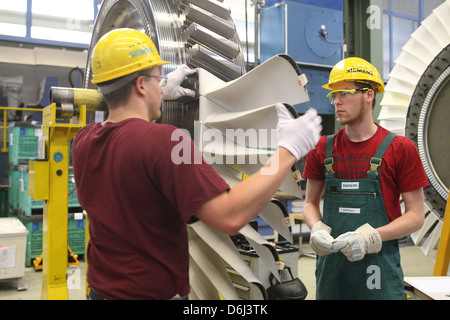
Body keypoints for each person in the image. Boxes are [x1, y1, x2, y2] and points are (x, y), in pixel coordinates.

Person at [71, 28, 322, 300]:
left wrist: (156, 96)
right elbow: (229, 216)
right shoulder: (164, 142)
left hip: (100, 292)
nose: (161, 83)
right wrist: (287, 151)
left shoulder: (83, 141)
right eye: (157, 78)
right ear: (141, 85)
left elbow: (129, 142)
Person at [302, 57, 429, 300]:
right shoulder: (322, 149)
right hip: (332, 272)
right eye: (334, 95)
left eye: (345, 93)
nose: (336, 101)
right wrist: (316, 227)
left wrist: (371, 237)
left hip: (379, 272)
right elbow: (309, 203)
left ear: (369, 95)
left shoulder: (400, 148)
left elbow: (415, 215)